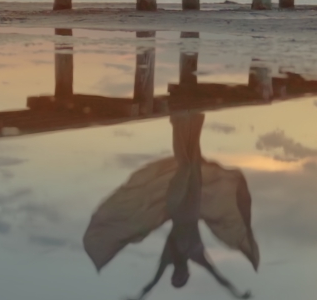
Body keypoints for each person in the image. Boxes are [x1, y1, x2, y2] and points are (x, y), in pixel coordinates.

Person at [83, 113, 258, 299]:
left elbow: (151, 283)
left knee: (185, 166)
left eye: (175, 276)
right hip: (193, 205)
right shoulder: (197, 255)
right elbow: (220, 278)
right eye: (181, 277)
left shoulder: (169, 257)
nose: (178, 274)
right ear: (187, 274)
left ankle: (179, 121)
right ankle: (194, 119)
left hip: (176, 206)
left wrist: (137, 297)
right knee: (194, 163)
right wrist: (238, 295)